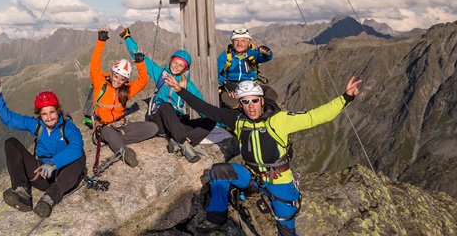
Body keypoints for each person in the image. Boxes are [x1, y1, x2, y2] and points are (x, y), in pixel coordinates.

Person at [169, 74, 364, 236]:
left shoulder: (280, 120)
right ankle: (217, 218)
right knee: (219, 171)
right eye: (246, 102)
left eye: (255, 100)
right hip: (252, 177)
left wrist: (345, 98)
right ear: (240, 104)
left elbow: (316, 116)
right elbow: (207, 110)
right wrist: (180, 90)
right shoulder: (237, 119)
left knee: (286, 230)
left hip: (279, 181)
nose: (251, 106)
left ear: (262, 101)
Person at [119, 27, 217, 163]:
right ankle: (184, 144)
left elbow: (200, 105)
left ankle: (179, 141)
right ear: (171, 61)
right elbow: (140, 58)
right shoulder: (161, 74)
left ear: (185, 69)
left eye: (181, 65)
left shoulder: (187, 85)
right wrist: (127, 38)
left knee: (211, 120)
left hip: (178, 122)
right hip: (159, 121)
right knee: (166, 106)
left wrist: (219, 125)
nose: (176, 66)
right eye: (175, 63)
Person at [0, 77, 84, 218]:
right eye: (44, 114)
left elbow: (76, 147)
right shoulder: (36, 125)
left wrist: (54, 163)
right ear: (39, 115)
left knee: (80, 155)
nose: (49, 117)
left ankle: (49, 199)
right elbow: (9, 119)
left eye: (52, 112)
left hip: (64, 175)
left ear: (58, 111)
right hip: (42, 175)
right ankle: (22, 193)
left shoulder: (68, 127)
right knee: (11, 143)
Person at [90, 28, 157, 168]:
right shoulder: (100, 84)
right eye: (116, 76)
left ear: (126, 80)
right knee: (109, 133)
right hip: (104, 126)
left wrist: (140, 63)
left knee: (152, 128)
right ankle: (124, 152)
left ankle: (115, 141)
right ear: (112, 73)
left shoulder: (126, 91)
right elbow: (95, 65)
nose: (118, 80)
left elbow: (142, 81)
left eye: (122, 79)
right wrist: (101, 41)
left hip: (121, 124)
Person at [216, 28, 274, 108]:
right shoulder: (225, 56)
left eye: (243, 41)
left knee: (271, 93)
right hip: (232, 86)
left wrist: (267, 53)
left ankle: (263, 112)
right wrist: (226, 83)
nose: (239, 44)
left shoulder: (254, 53)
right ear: (232, 42)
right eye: (236, 41)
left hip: (251, 85)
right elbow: (216, 73)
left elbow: (266, 57)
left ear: (249, 43)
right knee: (230, 101)